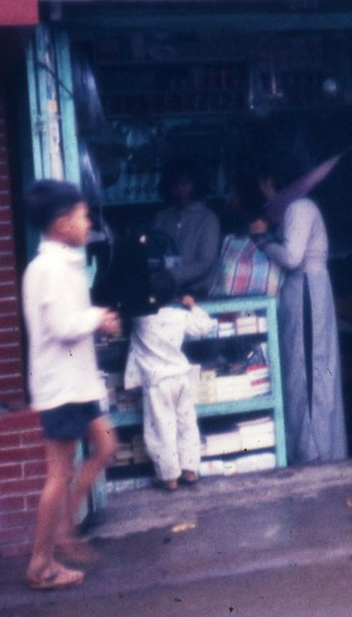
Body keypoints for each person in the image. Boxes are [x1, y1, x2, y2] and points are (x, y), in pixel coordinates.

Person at [21, 179, 121, 591]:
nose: (88, 223)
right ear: (62, 224)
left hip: (77, 383)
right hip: (61, 387)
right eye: (82, 216)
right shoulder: (49, 270)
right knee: (58, 474)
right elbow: (62, 326)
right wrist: (97, 318)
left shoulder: (62, 264)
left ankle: (64, 528)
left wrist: (93, 319)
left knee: (107, 447)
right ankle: (41, 562)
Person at [245, 162, 347, 464]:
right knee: (306, 371)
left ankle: (314, 451)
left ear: (269, 180)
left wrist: (263, 240)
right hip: (305, 291)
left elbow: (291, 257)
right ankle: (316, 449)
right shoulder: (295, 208)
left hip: (306, 291)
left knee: (310, 373)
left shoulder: (298, 207)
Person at [124, 269, 216, 490]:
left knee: (161, 429)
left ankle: (169, 476)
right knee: (186, 424)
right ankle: (190, 468)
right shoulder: (179, 315)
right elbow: (204, 326)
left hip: (158, 383)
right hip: (181, 378)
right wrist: (192, 305)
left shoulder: (140, 320)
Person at [150, 160, 222, 297]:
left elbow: (205, 263)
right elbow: (153, 254)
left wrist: (170, 276)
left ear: (195, 185)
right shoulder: (162, 217)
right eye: (174, 184)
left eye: (184, 184)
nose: (179, 189)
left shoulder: (208, 219)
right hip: (162, 293)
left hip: (196, 293)